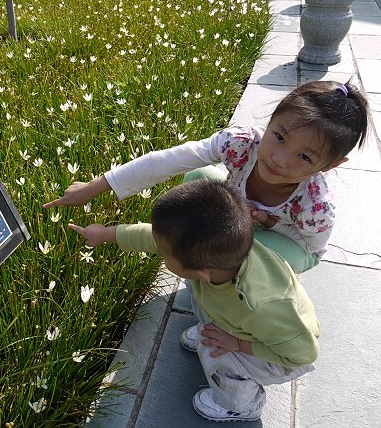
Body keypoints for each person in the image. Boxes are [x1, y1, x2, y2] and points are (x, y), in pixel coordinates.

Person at [45, 80, 369, 275]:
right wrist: (95, 186)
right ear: (270, 122)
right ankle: (209, 252)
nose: (279, 160)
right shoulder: (243, 144)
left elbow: (309, 250)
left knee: (255, 255)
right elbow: (170, 160)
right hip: (240, 218)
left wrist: (270, 225)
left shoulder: (314, 208)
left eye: (305, 156)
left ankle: (228, 292)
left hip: (284, 244)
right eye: (279, 137)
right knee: (199, 175)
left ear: (330, 165)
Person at [68, 180, 319, 422]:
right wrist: (105, 234)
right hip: (244, 320)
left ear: (200, 271)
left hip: (282, 352)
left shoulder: (260, 305)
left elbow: (302, 354)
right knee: (202, 305)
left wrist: (238, 344)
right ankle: (220, 332)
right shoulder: (223, 254)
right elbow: (153, 238)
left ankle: (239, 405)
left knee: (218, 356)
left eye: (165, 255)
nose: (159, 252)